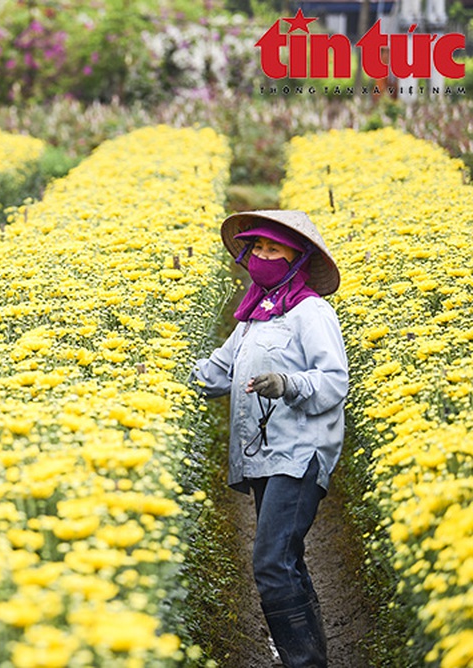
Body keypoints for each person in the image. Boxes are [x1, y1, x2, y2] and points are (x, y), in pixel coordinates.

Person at [191, 210, 348, 667]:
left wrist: (289, 383)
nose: (260, 256)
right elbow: (217, 373)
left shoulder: (311, 312)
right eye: (256, 248)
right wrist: (157, 375)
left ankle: (301, 661)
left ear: (297, 259)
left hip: (300, 453)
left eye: (272, 249)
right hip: (264, 453)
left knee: (270, 562)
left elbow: (335, 381)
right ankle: (312, 657)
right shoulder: (254, 317)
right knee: (286, 559)